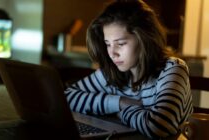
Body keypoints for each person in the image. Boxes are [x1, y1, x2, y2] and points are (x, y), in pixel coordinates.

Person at [64, 0, 193, 139]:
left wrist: (121, 111)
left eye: (120, 43)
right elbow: (67, 97)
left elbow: (160, 126)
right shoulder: (112, 71)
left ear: (144, 39)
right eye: (108, 44)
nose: (112, 53)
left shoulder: (172, 69)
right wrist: (119, 102)